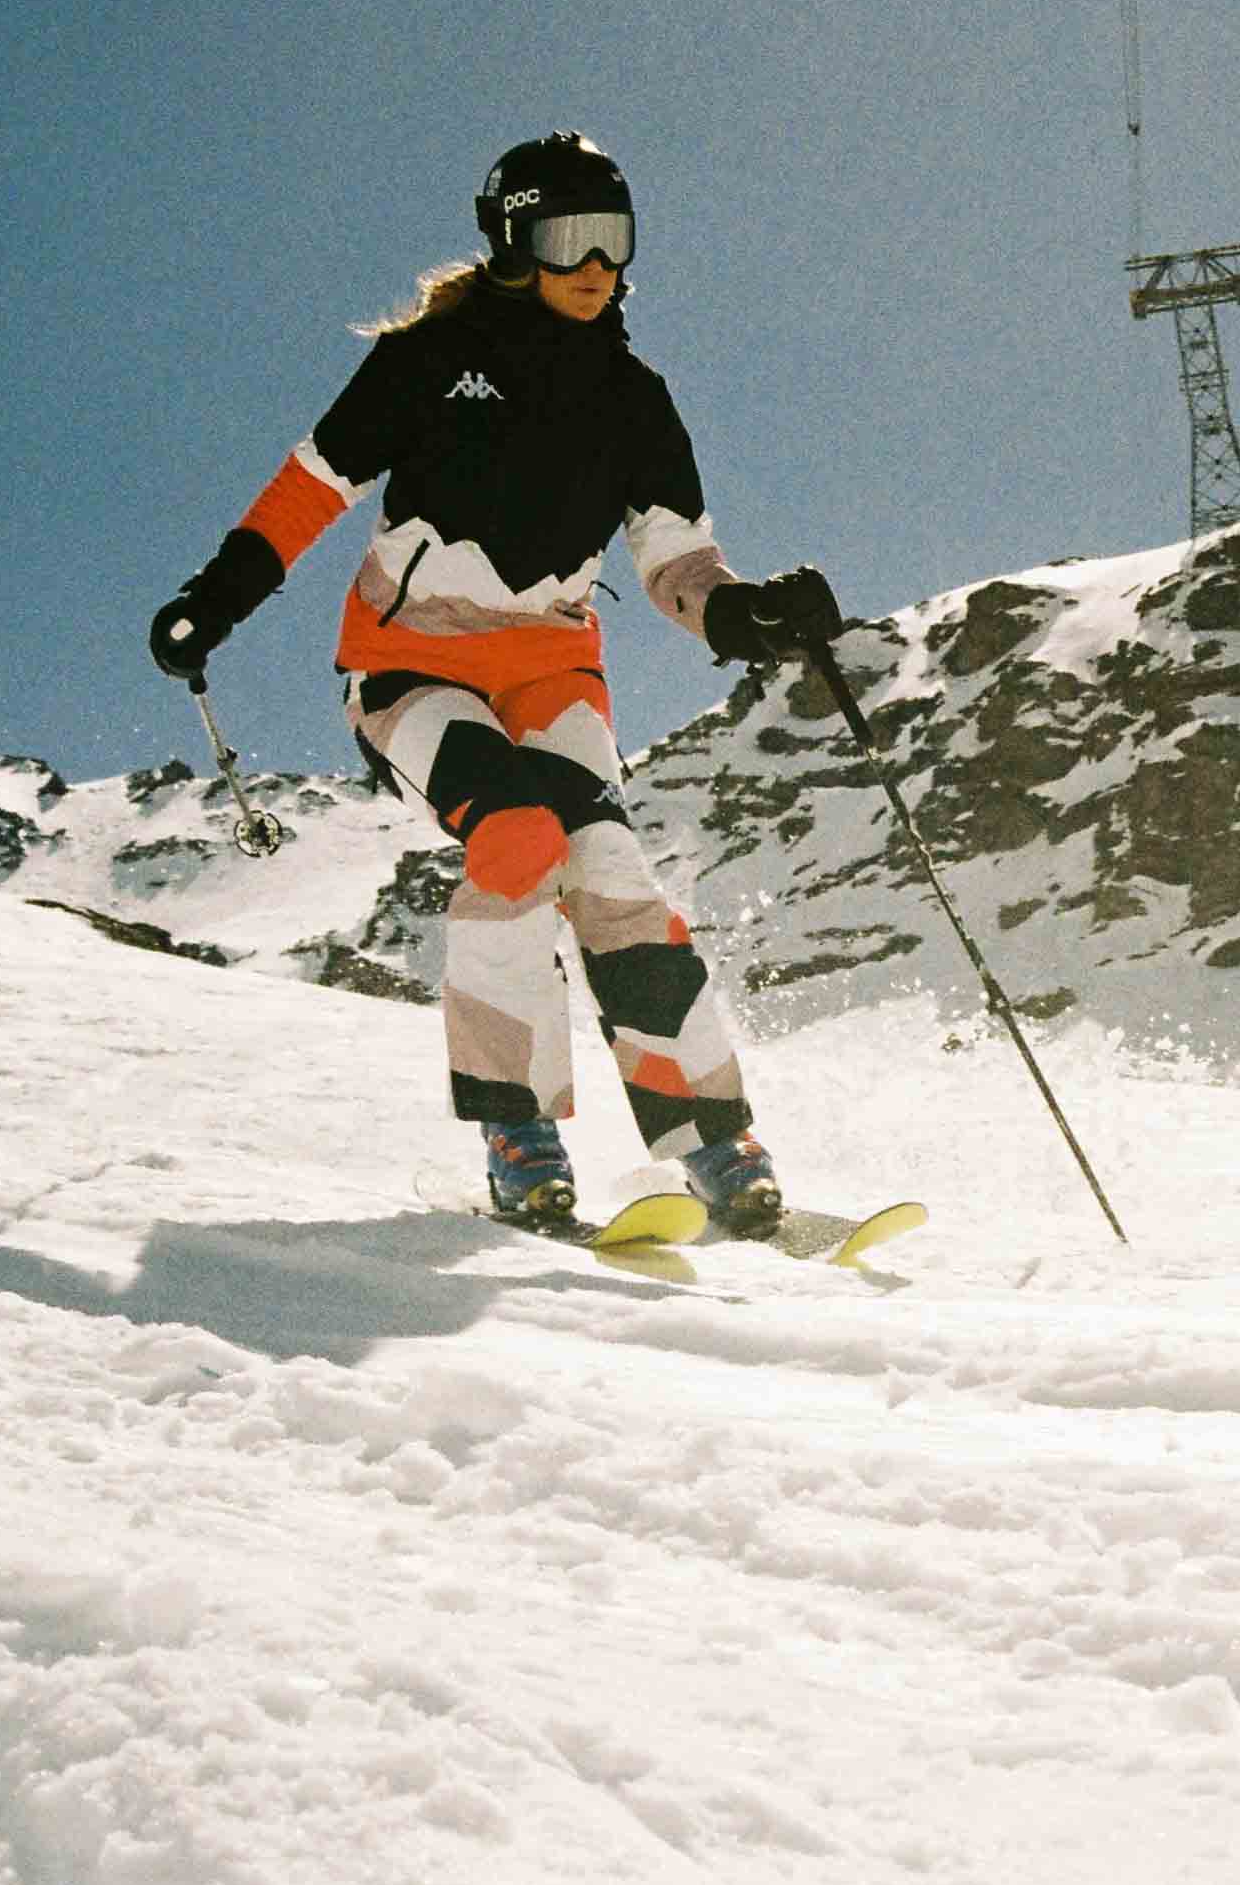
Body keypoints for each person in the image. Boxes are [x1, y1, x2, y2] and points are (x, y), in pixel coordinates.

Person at [148, 130, 846, 1238]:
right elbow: (313, 484)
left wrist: (749, 613)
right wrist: (215, 598)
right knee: (517, 837)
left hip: (550, 666)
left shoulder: (634, 397)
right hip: (408, 663)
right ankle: (518, 1131)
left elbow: (676, 562)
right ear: (514, 238)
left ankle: (715, 1142)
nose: (597, 266)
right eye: (570, 237)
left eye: (615, 242)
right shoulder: (434, 356)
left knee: (611, 868)